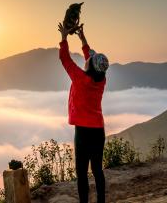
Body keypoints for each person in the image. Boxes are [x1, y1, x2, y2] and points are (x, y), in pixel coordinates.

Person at [57, 22, 109, 203]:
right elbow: (91, 57)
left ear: (90, 66)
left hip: (83, 133)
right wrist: (82, 38)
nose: (87, 58)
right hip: (98, 131)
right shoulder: (101, 80)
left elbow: (65, 59)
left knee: (81, 173)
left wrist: (64, 37)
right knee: (97, 170)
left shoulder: (80, 79)